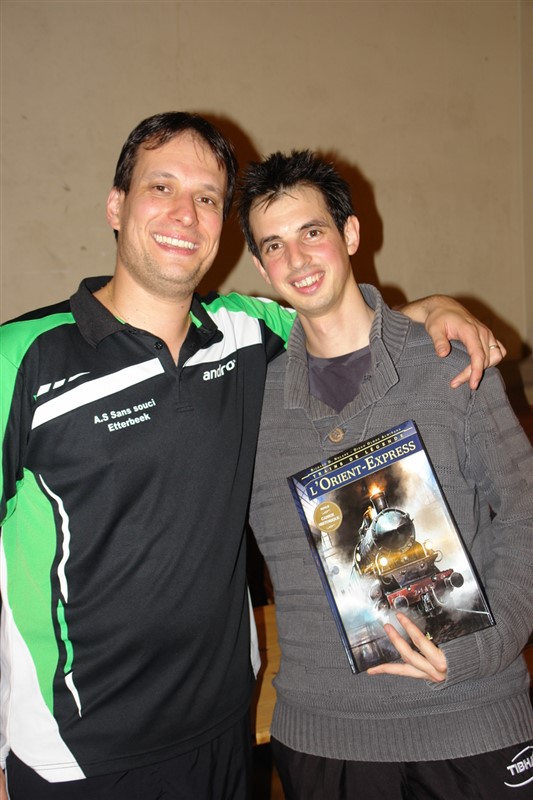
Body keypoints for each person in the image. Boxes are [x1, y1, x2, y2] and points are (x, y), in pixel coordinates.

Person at [0, 112, 505, 800]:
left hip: (223, 733)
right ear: (116, 206)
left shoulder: (244, 332)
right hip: (75, 755)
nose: (185, 213)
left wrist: (438, 307)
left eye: (206, 197)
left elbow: (339, 316)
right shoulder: (21, 360)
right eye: (161, 187)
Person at [239, 150, 533, 800]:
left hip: (472, 723)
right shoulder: (250, 405)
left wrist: (481, 647)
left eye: (312, 232)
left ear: (349, 234)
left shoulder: (450, 362)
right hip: (325, 742)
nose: (296, 258)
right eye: (274, 245)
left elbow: (525, 513)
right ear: (261, 266)